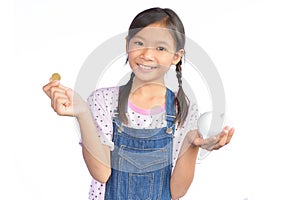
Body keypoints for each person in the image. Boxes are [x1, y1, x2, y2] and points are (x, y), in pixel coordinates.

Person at [43, 7, 234, 200]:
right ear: (128, 44)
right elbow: (101, 173)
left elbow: (176, 191)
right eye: (139, 43)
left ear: (176, 56)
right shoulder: (104, 101)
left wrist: (193, 145)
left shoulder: (182, 109)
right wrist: (82, 112)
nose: (147, 55)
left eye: (160, 48)